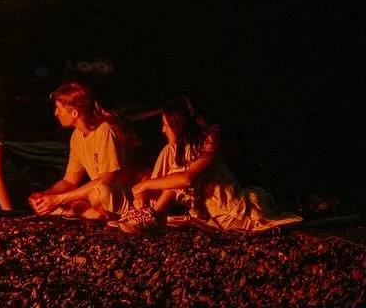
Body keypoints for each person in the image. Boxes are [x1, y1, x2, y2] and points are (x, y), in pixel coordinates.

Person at [118, 97, 302, 234]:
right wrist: (142, 196)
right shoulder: (174, 150)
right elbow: (160, 181)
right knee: (168, 181)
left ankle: (154, 218)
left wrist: (144, 185)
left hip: (233, 213)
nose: (162, 130)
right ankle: (150, 217)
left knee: (176, 181)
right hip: (209, 219)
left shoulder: (210, 141)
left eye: (166, 125)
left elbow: (187, 179)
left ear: (178, 125)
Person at [28, 81, 134, 219]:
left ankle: (89, 212)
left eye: (58, 108)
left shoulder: (105, 130)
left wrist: (59, 199)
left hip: (123, 193)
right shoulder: (77, 136)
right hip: (98, 194)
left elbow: (106, 180)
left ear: (74, 112)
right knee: (72, 199)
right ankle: (86, 212)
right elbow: (69, 181)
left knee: (100, 192)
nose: (55, 113)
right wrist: (47, 195)